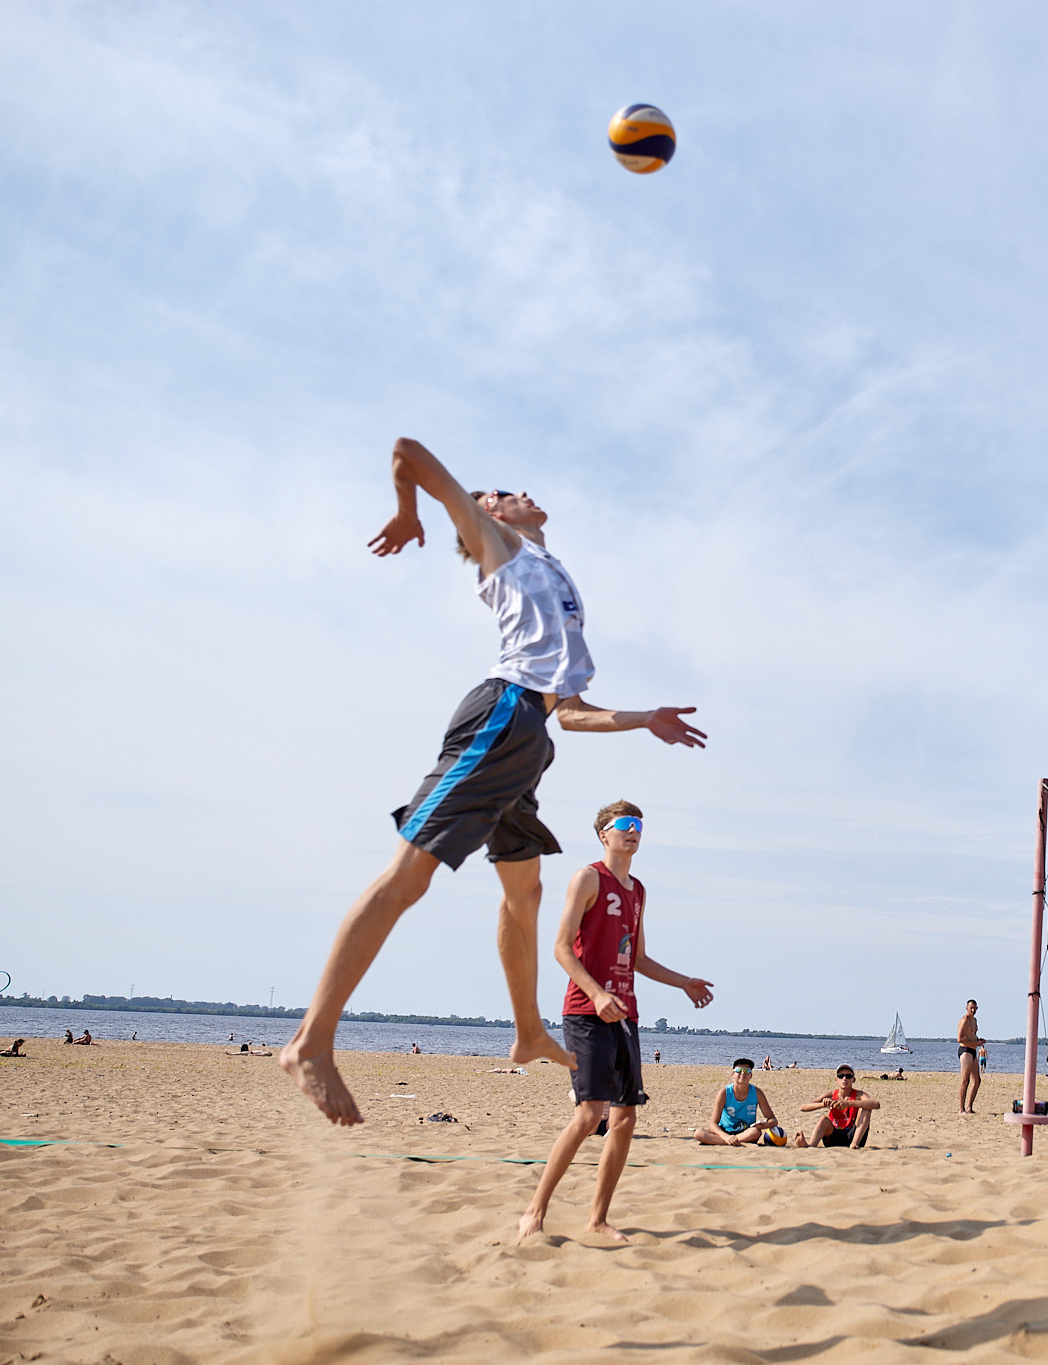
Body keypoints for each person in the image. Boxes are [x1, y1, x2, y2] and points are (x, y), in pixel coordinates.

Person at [280, 437, 707, 1129]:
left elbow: (569, 713)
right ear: (487, 509)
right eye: (507, 488)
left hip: (532, 736)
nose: (524, 491)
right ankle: (310, 1041)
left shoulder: (550, 568)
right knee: (406, 879)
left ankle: (528, 1030)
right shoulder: (495, 541)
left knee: (525, 889)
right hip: (500, 717)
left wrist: (643, 718)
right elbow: (407, 452)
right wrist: (406, 511)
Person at [518, 801, 715, 1242]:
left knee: (625, 1117)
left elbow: (638, 957)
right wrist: (597, 992)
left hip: (626, 1013)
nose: (634, 832)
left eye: (639, 826)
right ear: (604, 834)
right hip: (586, 1012)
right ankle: (534, 1210)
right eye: (624, 825)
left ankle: (597, 1219)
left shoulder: (638, 890)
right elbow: (561, 948)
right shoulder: (588, 878)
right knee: (590, 1114)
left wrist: (684, 982)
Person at [696, 1060, 784, 1146]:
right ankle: (732, 1141)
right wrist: (726, 1137)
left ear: (751, 1075)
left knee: (756, 1132)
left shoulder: (757, 1093)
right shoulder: (724, 1093)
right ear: (733, 1074)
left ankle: (730, 1141)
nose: (743, 1073)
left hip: (746, 1132)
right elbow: (713, 1124)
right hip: (725, 1131)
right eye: (739, 1070)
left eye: (747, 1071)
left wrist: (763, 1125)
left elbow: (773, 1120)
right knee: (699, 1133)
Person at [795, 1066, 880, 1148]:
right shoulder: (831, 1094)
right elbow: (803, 1107)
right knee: (824, 1120)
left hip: (853, 1135)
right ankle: (810, 1145)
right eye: (841, 1076)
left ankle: (854, 1144)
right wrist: (822, 1104)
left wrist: (849, 1103)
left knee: (865, 1109)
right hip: (834, 1136)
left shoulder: (859, 1094)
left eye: (848, 1076)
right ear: (836, 1080)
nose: (844, 1078)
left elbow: (876, 1104)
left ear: (853, 1080)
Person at [957, 999, 984, 1114]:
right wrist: (975, 1043)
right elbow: (960, 1039)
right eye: (970, 1008)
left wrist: (979, 1041)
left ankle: (969, 1107)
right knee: (965, 1080)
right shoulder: (965, 1020)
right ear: (967, 1008)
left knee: (977, 1080)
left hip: (973, 1051)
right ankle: (961, 1109)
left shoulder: (974, 1020)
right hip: (965, 1050)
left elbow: (973, 1035)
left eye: (974, 1008)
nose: (972, 1010)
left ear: (977, 1008)